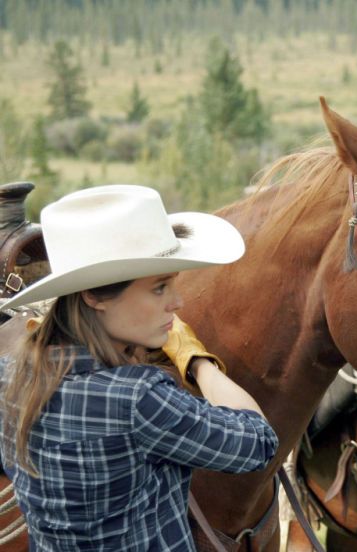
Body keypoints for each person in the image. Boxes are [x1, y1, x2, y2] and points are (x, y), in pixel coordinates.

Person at [0, 185, 279, 550]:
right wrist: (196, 362)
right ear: (94, 295)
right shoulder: (138, 398)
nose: (177, 302)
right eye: (159, 288)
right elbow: (258, 443)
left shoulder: (9, 377)